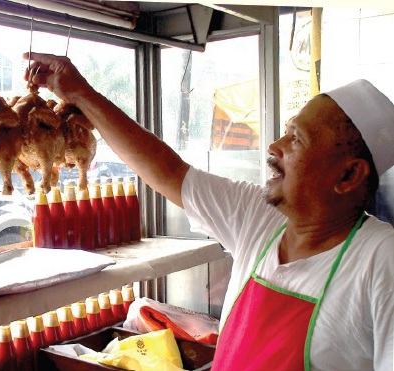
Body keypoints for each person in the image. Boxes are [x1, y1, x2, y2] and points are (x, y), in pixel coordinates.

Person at [23, 52, 394, 371]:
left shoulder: (381, 260)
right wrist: (79, 93)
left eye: (296, 139)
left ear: (347, 175)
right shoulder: (260, 217)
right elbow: (168, 172)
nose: (275, 146)